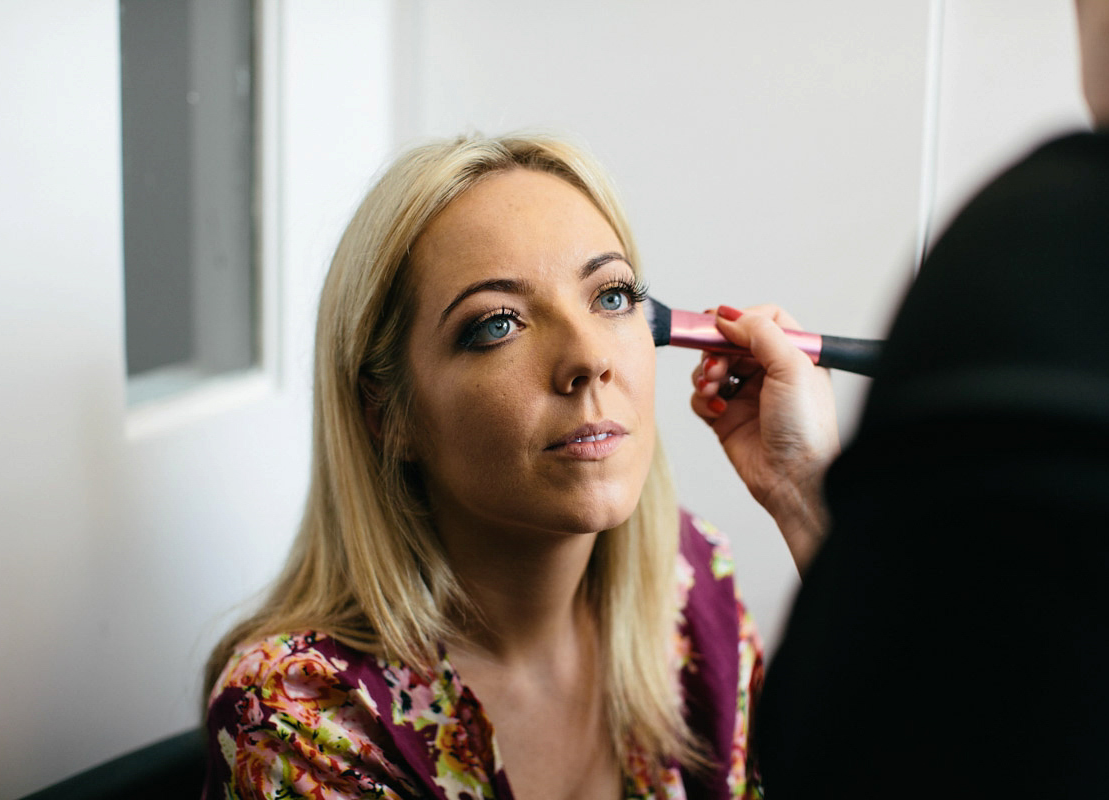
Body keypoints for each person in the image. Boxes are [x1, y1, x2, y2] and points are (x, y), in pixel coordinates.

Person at [201, 134, 796, 800]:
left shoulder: (689, 584)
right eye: (498, 324)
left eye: (611, 297)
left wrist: (805, 502)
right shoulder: (301, 715)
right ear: (387, 416)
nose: (588, 358)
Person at [691, 0, 1109, 796]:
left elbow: (893, 746)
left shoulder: (1064, 249)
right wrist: (806, 491)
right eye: (497, 323)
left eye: (611, 296)